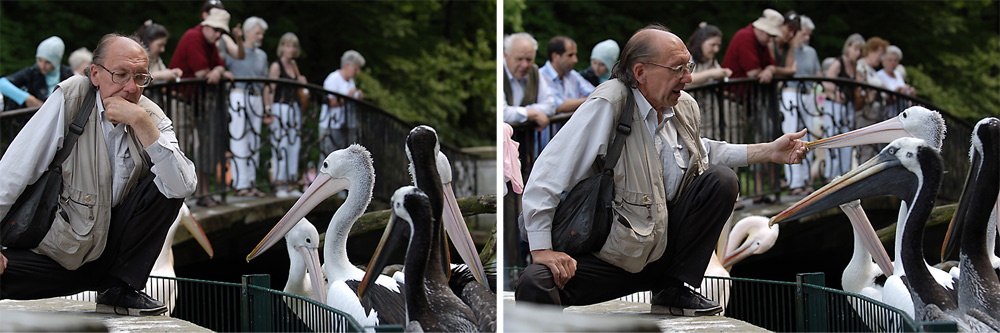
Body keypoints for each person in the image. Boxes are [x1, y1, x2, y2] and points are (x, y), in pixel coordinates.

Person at [516, 25, 809, 315]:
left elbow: (703, 151)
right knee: (535, 282)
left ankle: (672, 288)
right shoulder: (609, 103)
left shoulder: (682, 106)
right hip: (610, 257)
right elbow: (546, 177)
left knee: (721, 180)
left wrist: (769, 151)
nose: (689, 77)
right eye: (678, 68)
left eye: (688, 66)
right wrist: (542, 250)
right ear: (641, 72)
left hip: (659, 255)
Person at [0, 34, 197, 316]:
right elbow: (14, 170)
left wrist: (142, 124)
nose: (131, 88)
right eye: (120, 75)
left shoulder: (149, 115)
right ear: (95, 74)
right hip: (57, 252)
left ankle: (119, 288)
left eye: (140, 78)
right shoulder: (71, 98)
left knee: (169, 180)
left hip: (109, 256)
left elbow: (184, 185)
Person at [169, 7, 235, 207]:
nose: (218, 35)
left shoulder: (210, 42)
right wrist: (217, 72)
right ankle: (178, 198)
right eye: (216, 29)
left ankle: (202, 193)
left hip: (196, 101)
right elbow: (201, 73)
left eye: (222, 32)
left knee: (204, 147)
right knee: (180, 148)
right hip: (179, 101)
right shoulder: (194, 37)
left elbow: (220, 65)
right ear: (206, 25)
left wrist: (218, 70)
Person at [225, 16, 269, 198]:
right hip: (239, 96)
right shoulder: (234, 52)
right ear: (248, 32)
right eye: (258, 33)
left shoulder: (263, 56)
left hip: (256, 98)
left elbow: (266, 83)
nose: (260, 37)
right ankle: (240, 183)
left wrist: (267, 108)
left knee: (254, 141)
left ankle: (251, 183)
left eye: (262, 34)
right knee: (239, 138)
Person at [780, 14, 821, 196]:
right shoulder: (787, 50)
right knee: (791, 136)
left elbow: (818, 73)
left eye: (809, 34)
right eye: (804, 33)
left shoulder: (811, 52)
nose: (807, 37)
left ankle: (806, 179)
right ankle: (793, 181)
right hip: (790, 94)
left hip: (807, 95)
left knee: (808, 136)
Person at [268, 32, 307, 198]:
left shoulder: (295, 67)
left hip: (293, 109)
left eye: (294, 46)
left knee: (294, 145)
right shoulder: (277, 66)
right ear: (282, 47)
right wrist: (267, 110)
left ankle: (291, 183)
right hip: (280, 108)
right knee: (280, 145)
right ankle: (279, 184)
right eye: (288, 45)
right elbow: (270, 89)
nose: (291, 49)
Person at [821, 34, 865, 180]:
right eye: (856, 49)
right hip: (835, 106)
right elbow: (826, 83)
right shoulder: (838, 63)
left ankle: (844, 175)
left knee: (847, 141)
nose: (857, 53)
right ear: (849, 47)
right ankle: (831, 176)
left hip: (848, 108)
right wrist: (836, 95)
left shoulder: (854, 66)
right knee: (833, 139)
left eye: (860, 50)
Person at [0, 36, 74, 109]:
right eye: (40, 60)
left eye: (48, 62)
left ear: (56, 62)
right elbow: (2, 83)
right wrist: (26, 98)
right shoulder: (33, 72)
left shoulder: (67, 74)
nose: (42, 66)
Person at [502, 32, 556, 130]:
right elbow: (502, 113)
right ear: (505, 55)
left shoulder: (534, 71)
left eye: (529, 59)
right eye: (519, 59)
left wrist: (521, 113)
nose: (525, 65)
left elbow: (550, 105)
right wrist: (532, 113)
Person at [320, 50, 365, 156]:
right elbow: (330, 101)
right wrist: (348, 97)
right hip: (331, 126)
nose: (357, 72)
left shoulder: (351, 81)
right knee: (328, 159)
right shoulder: (333, 79)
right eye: (356, 69)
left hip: (345, 125)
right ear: (348, 65)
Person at [721, 9, 784, 83]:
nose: (771, 40)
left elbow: (772, 65)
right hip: (733, 93)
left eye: (774, 36)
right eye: (770, 35)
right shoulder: (745, 38)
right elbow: (754, 73)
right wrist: (769, 71)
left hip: (745, 92)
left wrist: (769, 70)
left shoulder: (761, 42)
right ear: (761, 29)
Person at [539, 35, 595, 114]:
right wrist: (589, 100)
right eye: (570, 55)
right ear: (555, 56)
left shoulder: (572, 74)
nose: (575, 60)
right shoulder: (541, 76)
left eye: (575, 55)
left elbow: (594, 92)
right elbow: (557, 105)